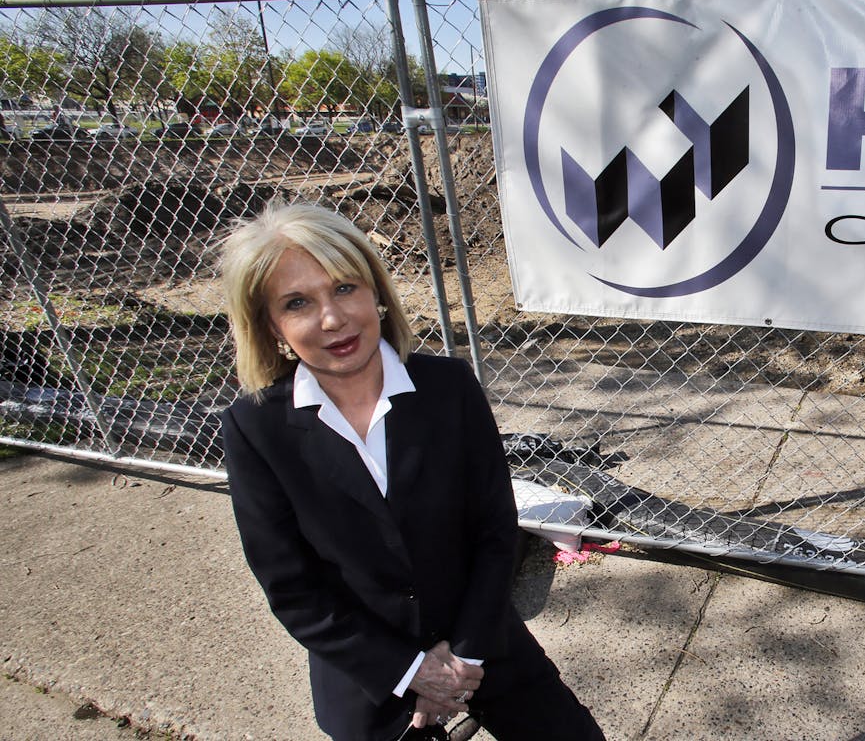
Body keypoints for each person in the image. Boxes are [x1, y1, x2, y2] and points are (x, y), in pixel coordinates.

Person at [219, 203, 604, 741]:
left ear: (377, 291)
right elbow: (292, 588)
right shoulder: (254, 428)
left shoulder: (450, 388)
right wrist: (408, 672)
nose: (333, 318)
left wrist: (463, 657)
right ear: (270, 324)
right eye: (298, 302)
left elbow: (495, 531)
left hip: (480, 634)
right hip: (368, 670)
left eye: (345, 288)